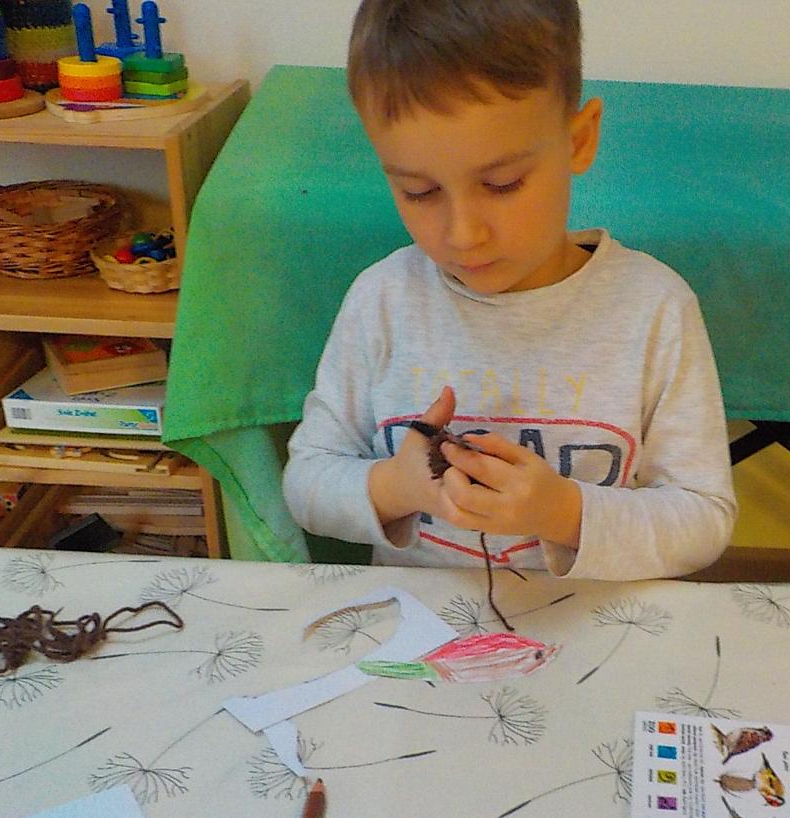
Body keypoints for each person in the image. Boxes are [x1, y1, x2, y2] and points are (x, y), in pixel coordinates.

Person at [283, 0, 736, 580]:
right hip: (424, 621)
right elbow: (306, 483)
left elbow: (703, 518)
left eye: (502, 183)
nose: (463, 234)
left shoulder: (654, 307)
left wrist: (564, 512)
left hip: (597, 622)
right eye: (419, 191)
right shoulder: (382, 300)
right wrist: (396, 487)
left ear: (578, 141)